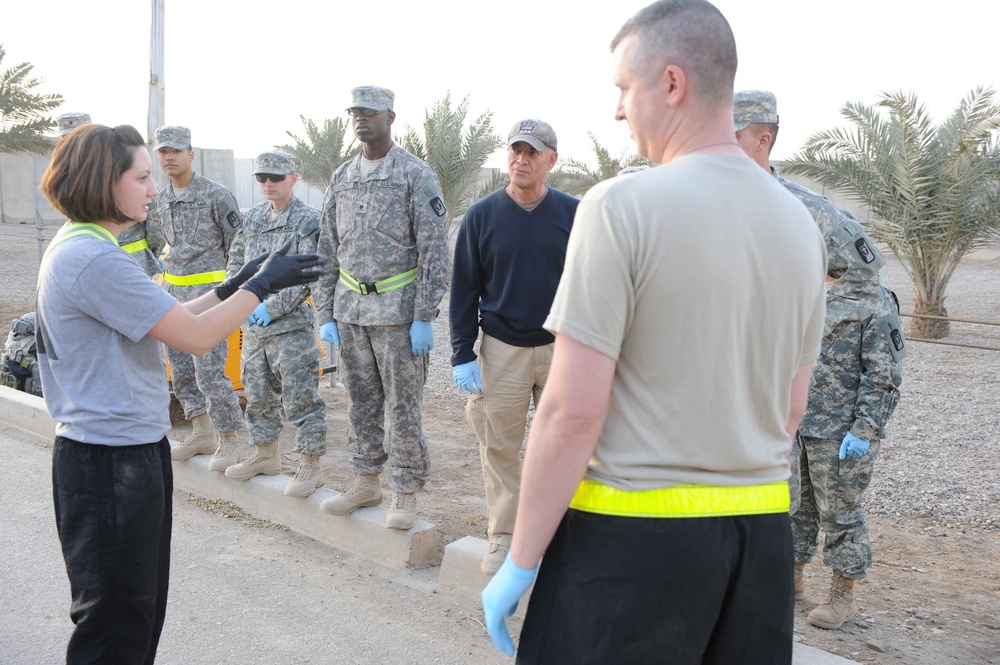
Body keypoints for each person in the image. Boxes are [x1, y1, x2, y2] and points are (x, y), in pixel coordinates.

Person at [480, 1, 828, 662]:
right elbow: (791, 407)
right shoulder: (800, 227)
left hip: (632, 547)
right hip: (758, 548)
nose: (617, 110)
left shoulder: (621, 207)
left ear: (671, 84)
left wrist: (521, 559)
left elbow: (570, 410)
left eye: (622, 89)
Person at [36, 123, 322, 664]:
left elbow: (167, 318)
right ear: (105, 181)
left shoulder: (86, 246)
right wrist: (261, 287)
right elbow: (194, 337)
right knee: (118, 625)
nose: (152, 187)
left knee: (132, 614)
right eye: (142, 176)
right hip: (111, 463)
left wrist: (232, 284)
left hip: (114, 455)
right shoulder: (95, 258)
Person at [734, 89, 906, 629]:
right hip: (790, 414)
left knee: (840, 510)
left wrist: (865, 428)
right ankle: (791, 581)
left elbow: (883, 378)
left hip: (839, 427)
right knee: (788, 506)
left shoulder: (868, 304)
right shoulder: (744, 210)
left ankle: (843, 595)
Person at [314, 86, 449, 530]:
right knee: (360, 404)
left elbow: (433, 251)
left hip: (398, 315)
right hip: (352, 313)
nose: (361, 120)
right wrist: (326, 313)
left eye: (370, 113)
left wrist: (424, 315)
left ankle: (405, 491)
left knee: (403, 408)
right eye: (355, 112)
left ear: (391, 117)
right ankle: (365, 479)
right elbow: (327, 247)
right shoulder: (343, 176)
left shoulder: (414, 173)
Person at [449, 118, 578, 574]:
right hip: (502, 349)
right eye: (515, 151)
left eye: (532, 152)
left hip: (562, 350)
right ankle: (504, 536)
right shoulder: (482, 216)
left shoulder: (573, 214)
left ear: (551, 160)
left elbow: (592, 284)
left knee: (564, 447)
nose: (521, 159)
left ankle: (561, 539)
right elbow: (464, 289)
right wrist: (463, 353)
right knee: (499, 447)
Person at [222, 150, 329, 497]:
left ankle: (310, 465)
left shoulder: (308, 220)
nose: (268, 183)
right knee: (257, 395)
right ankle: (266, 454)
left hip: (291, 328)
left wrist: (273, 306)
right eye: (262, 178)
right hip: (253, 329)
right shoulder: (251, 219)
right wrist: (240, 301)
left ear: (293, 179)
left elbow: (309, 273)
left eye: (276, 178)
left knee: (301, 399)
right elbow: (236, 263)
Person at [145, 125, 246, 469]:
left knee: (211, 372)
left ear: (191, 154)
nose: (169, 157)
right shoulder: (160, 199)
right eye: (163, 152)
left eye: (176, 150)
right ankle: (201, 431)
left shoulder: (216, 195)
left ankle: (229, 439)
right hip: (174, 297)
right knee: (183, 371)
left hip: (209, 299)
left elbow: (240, 244)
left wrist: (233, 294)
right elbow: (156, 242)